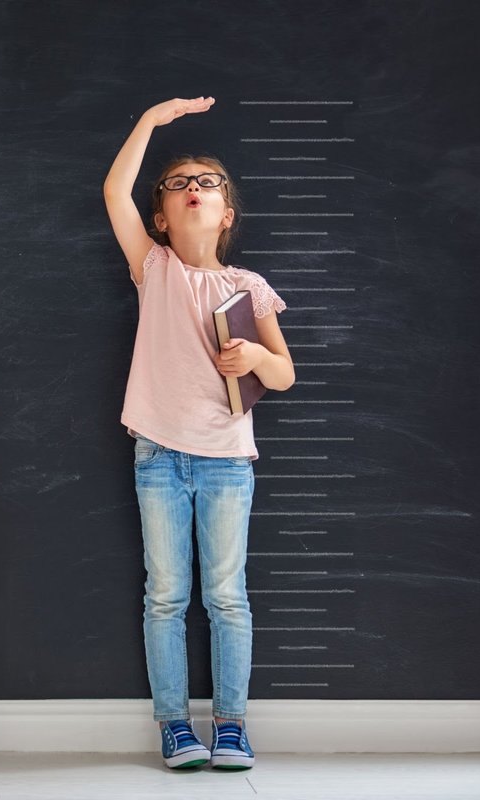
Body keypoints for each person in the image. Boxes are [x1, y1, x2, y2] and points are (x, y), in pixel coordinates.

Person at [103, 97, 295, 770]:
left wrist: (255, 360)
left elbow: (285, 373)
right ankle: (175, 727)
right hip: (156, 452)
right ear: (161, 215)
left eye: (206, 183)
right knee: (166, 594)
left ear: (226, 214)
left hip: (225, 460)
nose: (192, 189)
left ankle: (232, 724)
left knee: (225, 596)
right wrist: (151, 121)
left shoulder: (246, 285)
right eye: (178, 183)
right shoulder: (153, 267)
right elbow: (112, 189)